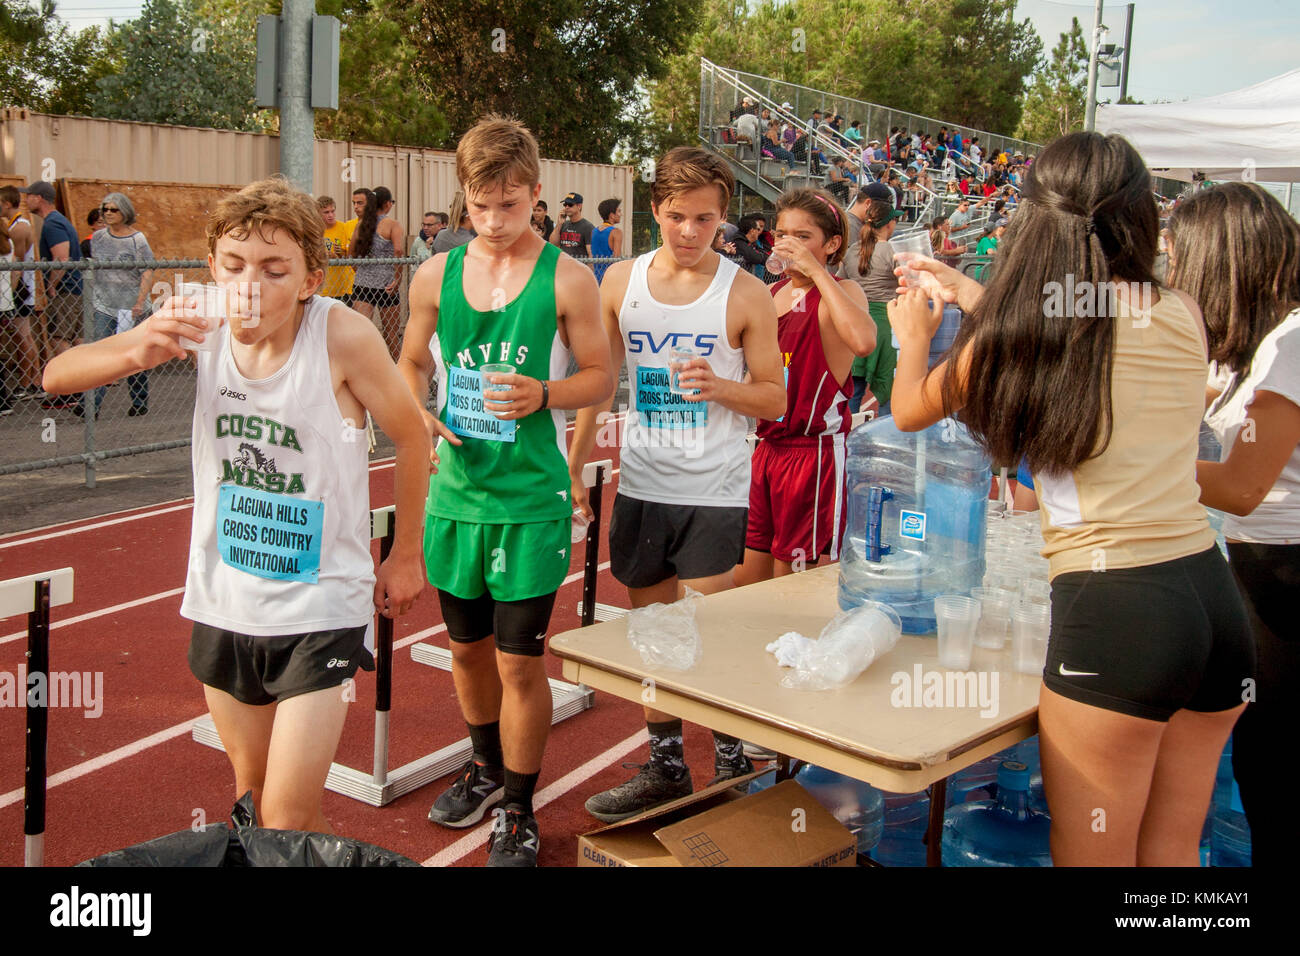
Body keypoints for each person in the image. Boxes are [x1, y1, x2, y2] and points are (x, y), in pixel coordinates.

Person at [888, 131, 1252, 866]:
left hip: (1120, 614)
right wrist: (967, 292)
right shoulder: (1180, 312)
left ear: (1034, 221)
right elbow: (1084, 328)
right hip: (1212, 602)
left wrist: (912, 336)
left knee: (1095, 855)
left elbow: (909, 411)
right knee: (1174, 851)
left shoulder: (1023, 335)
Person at [43, 175, 430, 835]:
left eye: (276, 270)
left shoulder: (341, 337)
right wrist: (139, 346)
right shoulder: (201, 317)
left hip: (322, 602)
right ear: (211, 270)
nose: (252, 284)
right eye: (235, 266)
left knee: (285, 816)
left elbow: (413, 433)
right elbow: (57, 377)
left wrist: (406, 553)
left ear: (311, 279)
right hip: (226, 595)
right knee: (252, 801)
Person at [398, 114, 614, 866]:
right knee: (466, 654)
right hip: (455, 497)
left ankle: (518, 810)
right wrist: (419, 411)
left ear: (537, 195)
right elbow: (411, 364)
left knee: (521, 662)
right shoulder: (435, 273)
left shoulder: (569, 277)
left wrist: (545, 393)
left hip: (529, 501)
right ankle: (484, 768)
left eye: (510, 205)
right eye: (480, 206)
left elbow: (601, 377)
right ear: (463, 198)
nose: (493, 221)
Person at [569, 146, 785, 820]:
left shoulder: (745, 292)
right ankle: (666, 764)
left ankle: (728, 759)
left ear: (722, 218)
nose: (690, 232)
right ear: (654, 210)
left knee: (707, 633)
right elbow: (600, 387)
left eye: (705, 219)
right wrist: (573, 464)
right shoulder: (618, 284)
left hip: (715, 490)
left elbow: (776, 399)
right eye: (677, 217)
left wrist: (721, 386)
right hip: (643, 485)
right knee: (654, 633)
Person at [1171, 183, 1300, 869]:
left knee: (1278, 781)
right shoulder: (1262, 348)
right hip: (1259, 575)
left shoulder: (1294, 343)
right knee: (1264, 778)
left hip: (1286, 575)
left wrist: (1139, 461)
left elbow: (1246, 486)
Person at [735, 188, 873, 586]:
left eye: (802, 236)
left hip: (814, 457)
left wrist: (815, 271)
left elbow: (863, 341)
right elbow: (756, 379)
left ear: (832, 244)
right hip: (765, 452)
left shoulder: (844, 293)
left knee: (792, 590)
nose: (788, 245)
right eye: (781, 235)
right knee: (746, 587)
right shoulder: (771, 293)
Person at [88, 193, 154, 418]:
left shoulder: (137, 240)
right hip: (104, 304)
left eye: (113, 209)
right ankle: (92, 404)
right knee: (101, 353)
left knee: (131, 354)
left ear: (124, 212)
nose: (107, 213)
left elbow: (147, 270)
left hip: (130, 305)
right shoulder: (98, 238)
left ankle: (139, 399)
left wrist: (139, 301)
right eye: (105, 209)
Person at [842, 194, 905, 416]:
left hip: (856, 322)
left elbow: (842, 282)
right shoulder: (892, 251)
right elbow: (908, 284)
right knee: (887, 386)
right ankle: (885, 437)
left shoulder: (851, 251)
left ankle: (846, 436)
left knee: (853, 388)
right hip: (886, 325)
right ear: (889, 223)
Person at [22, 181, 84, 362]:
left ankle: (73, 382)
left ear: (39, 198)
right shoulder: (59, 221)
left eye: (28, 196)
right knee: (77, 337)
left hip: (66, 289)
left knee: (59, 338)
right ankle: (83, 384)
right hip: (75, 288)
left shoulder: (53, 224)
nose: (26, 200)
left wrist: (51, 286)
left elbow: (61, 259)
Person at [349, 185, 406, 360]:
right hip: (387, 285)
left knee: (359, 333)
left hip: (363, 285)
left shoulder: (362, 224)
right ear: (388, 204)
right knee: (391, 334)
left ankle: (358, 370)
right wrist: (398, 277)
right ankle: (400, 370)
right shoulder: (392, 224)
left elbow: (351, 254)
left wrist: (360, 271)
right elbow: (398, 251)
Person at [0, 186, 41, 398]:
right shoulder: (17, 225)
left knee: (22, 336)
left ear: (7, 203)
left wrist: (10, 293)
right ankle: (34, 381)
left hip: (20, 290)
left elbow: (14, 264)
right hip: (20, 288)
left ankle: (28, 382)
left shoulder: (18, 228)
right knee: (24, 336)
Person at [317, 195, 357, 305]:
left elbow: (348, 255)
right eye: (326, 212)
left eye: (332, 211)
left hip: (343, 288)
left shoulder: (343, 228)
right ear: (318, 213)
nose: (331, 215)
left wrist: (340, 254)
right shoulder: (315, 230)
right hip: (322, 289)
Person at [549, 192, 593, 259]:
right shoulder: (563, 224)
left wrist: (589, 269)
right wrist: (559, 224)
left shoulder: (588, 227)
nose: (567, 207)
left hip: (579, 266)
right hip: (564, 265)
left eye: (570, 205)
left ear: (579, 206)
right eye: (565, 204)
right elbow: (553, 243)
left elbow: (591, 253)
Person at [590, 198, 623, 284]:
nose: (621, 214)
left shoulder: (594, 231)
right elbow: (617, 259)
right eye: (619, 211)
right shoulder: (616, 232)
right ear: (612, 215)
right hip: (610, 278)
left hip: (596, 277)